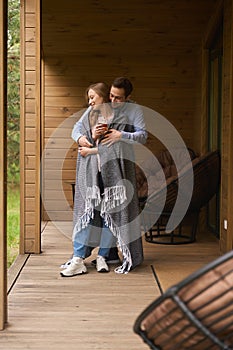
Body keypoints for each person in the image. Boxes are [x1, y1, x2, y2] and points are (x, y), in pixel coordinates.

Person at [61, 77, 147, 276]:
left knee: (112, 214)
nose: (113, 101)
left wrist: (120, 136)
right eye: (110, 96)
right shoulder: (93, 111)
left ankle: (104, 255)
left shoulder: (130, 113)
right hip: (93, 171)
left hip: (116, 172)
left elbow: (136, 139)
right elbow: (77, 130)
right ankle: (78, 257)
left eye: (118, 98)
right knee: (89, 212)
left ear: (128, 98)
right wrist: (84, 137)